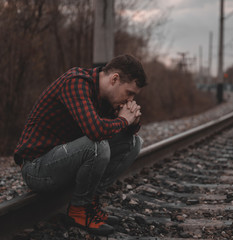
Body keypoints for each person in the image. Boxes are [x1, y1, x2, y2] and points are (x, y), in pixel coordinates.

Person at [14, 54, 147, 236]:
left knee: (132, 143)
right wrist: (124, 120)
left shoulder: (106, 99)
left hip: (63, 161)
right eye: (129, 93)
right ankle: (78, 211)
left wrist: (133, 123)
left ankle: (90, 202)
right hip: (36, 167)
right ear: (114, 79)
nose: (129, 100)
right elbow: (96, 132)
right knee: (97, 146)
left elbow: (114, 133)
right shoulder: (75, 82)